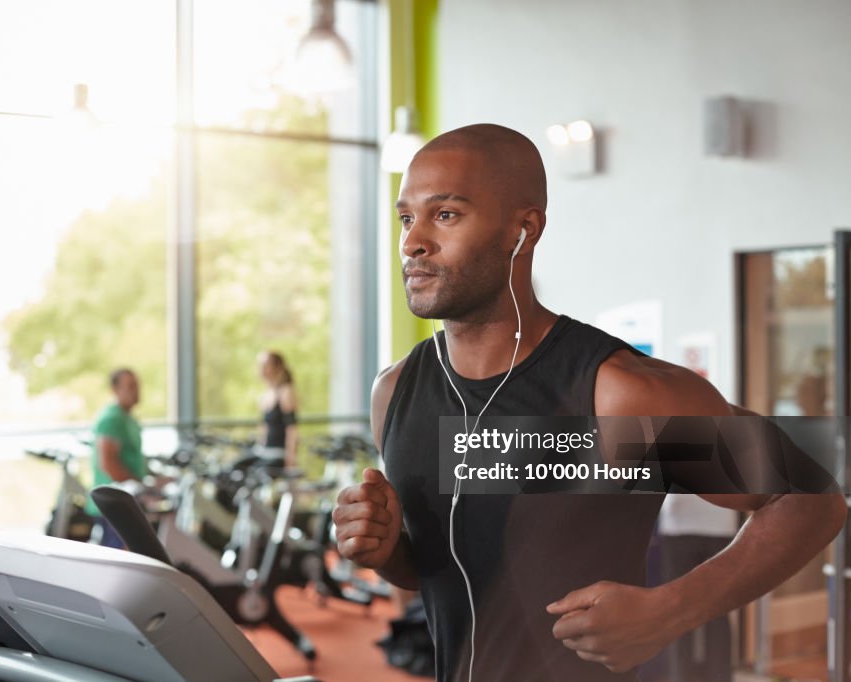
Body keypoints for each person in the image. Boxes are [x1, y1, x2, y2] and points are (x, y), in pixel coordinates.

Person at [332, 124, 846, 681]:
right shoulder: (397, 392)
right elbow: (439, 567)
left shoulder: (613, 395)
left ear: (521, 230)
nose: (412, 242)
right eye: (407, 218)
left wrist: (671, 609)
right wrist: (386, 551)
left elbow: (810, 498)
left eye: (446, 215)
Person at [658, 495, 738, 682]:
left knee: (677, 610)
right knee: (717, 609)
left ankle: (681, 677)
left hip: (682, 521)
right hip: (714, 522)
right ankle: (718, 677)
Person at [86, 367, 146, 549]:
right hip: (114, 505)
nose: (136, 391)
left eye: (137, 386)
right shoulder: (111, 419)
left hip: (129, 501)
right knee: (118, 563)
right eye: (130, 386)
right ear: (115, 390)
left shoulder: (129, 419)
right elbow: (108, 464)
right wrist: (141, 485)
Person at [256, 350, 298, 467]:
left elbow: (292, 428)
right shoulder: (266, 394)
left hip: (277, 453)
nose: (261, 369)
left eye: (265, 365)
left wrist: (291, 458)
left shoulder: (285, 392)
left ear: (277, 367)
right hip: (263, 451)